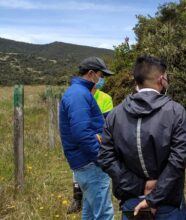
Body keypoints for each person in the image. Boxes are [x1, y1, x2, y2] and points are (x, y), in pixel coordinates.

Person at [98, 55, 186, 219]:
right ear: (162, 79)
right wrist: (152, 195)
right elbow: (178, 160)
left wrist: (138, 186)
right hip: (167, 201)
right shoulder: (176, 112)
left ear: (137, 81)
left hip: (131, 200)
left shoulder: (114, 115)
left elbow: (106, 157)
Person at [59, 56, 114, 219]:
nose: (102, 79)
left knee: (90, 211)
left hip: (85, 162)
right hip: (90, 163)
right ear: (91, 74)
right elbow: (82, 133)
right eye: (101, 75)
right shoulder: (79, 95)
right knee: (104, 213)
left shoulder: (78, 92)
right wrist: (101, 157)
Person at [67, 83, 114, 214]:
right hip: (81, 141)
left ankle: (84, 200)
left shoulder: (105, 98)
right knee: (78, 173)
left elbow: (107, 123)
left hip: (96, 142)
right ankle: (77, 198)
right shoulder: (78, 97)